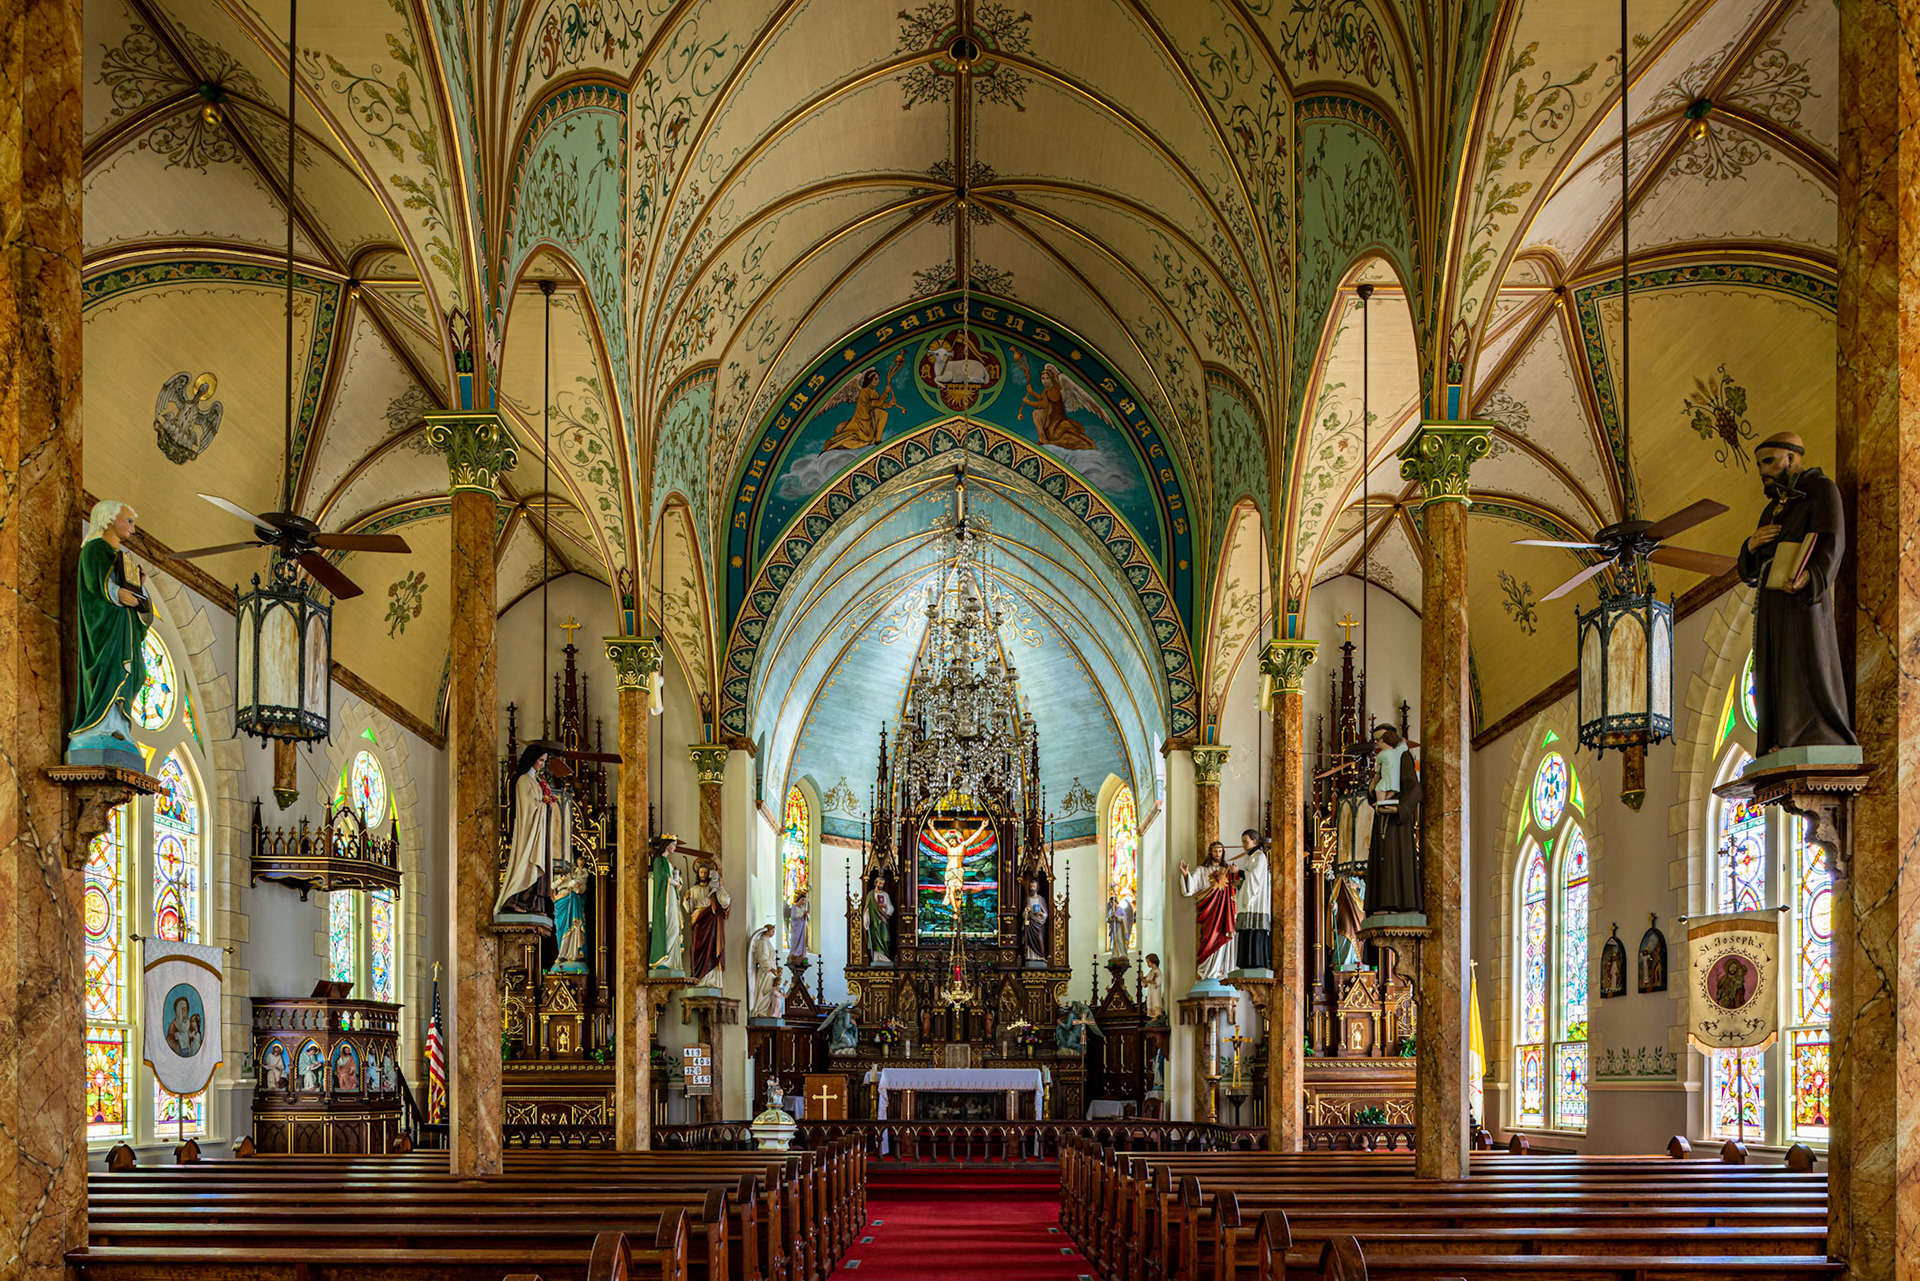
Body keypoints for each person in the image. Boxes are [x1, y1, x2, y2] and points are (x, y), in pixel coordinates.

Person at [1736, 432, 1855, 752]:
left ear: (1792, 458)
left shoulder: (1820, 491)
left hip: (1804, 599)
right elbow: (1749, 571)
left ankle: (1815, 731)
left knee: (1805, 662)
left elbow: (1832, 539)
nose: (1763, 470)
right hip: (1773, 601)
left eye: (1769, 462)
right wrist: (1752, 544)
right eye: (1760, 465)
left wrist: (1812, 576)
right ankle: (1779, 737)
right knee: (1775, 667)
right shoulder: (1771, 510)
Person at [70, 500, 153, 768]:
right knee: (107, 670)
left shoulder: (121, 558)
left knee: (133, 674)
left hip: (123, 629)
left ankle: (119, 728)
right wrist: (118, 593)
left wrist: (138, 588)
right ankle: (98, 728)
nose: (132, 527)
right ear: (108, 519)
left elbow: (132, 596)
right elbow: (94, 586)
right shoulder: (94, 550)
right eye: (128, 521)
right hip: (104, 631)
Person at [495, 743, 570, 920]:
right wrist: (544, 803)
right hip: (528, 833)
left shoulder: (534, 781)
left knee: (535, 866)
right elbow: (527, 807)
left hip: (538, 832)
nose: (543, 764)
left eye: (544, 761)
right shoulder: (523, 781)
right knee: (525, 864)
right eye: (541, 760)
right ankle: (514, 899)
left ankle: (532, 903)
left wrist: (547, 803)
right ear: (532, 760)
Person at [1366, 726, 1423, 915]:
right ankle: (1382, 904)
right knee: (1381, 855)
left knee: (1394, 857)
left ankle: (1398, 905)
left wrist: (1400, 808)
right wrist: (1371, 790)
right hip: (1382, 816)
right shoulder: (1384, 757)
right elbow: (1376, 789)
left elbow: (1415, 789)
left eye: (1379, 739)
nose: (1377, 744)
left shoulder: (1403, 757)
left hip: (1397, 821)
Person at [1180, 842, 1237, 983]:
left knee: (1222, 937)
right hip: (1209, 913)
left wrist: (1235, 874)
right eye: (1215, 851)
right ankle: (1206, 971)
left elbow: (1235, 891)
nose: (1217, 854)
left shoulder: (1227, 871)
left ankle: (1219, 972)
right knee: (1208, 939)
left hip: (1224, 913)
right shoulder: (1202, 870)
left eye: (1220, 851)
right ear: (1210, 852)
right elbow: (1190, 888)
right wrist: (1186, 874)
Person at [684, 859, 731, 987]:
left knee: (711, 948)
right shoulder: (693, 889)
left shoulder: (714, 889)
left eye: (705, 872)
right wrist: (687, 899)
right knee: (695, 949)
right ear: (698, 874)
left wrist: (719, 888)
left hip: (711, 921)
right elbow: (689, 909)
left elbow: (725, 901)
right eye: (701, 872)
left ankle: (710, 980)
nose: (703, 875)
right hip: (698, 921)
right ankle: (697, 978)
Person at [1230, 829, 1272, 970]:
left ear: (1254, 841)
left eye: (1245, 841)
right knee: (1247, 932)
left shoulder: (1259, 857)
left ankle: (1255, 962)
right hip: (1251, 901)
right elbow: (1248, 878)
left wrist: (1239, 872)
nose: (1243, 845)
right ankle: (1245, 962)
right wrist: (1240, 881)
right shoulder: (1252, 857)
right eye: (1242, 842)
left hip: (1256, 903)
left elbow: (1254, 878)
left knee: (1254, 931)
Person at [547, 858, 592, 973]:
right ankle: (562, 953)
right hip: (561, 903)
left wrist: (576, 885)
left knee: (574, 925)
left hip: (572, 900)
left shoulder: (576, 876)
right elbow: (552, 887)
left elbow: (582, 889)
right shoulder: (557, 877)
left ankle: (574, 953)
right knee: (561, 929)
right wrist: (561, 880)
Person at [649, 836, 685, 975]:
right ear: (667, 845)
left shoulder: (667, 862)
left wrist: (678, 881)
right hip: (665, 899)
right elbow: (661, 877)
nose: (675, 847)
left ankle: (670, 959)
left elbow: (670, 878)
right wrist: (675, 883)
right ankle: (662, 959)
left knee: (675, 927)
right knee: (669, 926)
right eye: (673, 844)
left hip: (671, 897)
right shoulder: (659, 861)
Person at [748, 924, 783, 1018]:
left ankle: (766, 1012)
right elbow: (762, 956)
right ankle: (761, 1011)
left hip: (770, 972)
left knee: (770, 992)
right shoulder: (763, 942)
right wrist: (770, 968)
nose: (773, 933)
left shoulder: (767, 942)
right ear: (767, 931)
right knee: (765, 991)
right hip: (766, 972)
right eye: (772, 931)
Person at [864, 872, 895, 965]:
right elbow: (867, 909)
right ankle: (877, 957)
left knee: (886, 939)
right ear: (875, 883)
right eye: (880, 883)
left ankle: (885, 956)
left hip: (883, 919)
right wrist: (866, 919)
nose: (881, 885)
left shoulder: (885, 895)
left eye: (883, 884)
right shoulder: (871, 894)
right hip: (874, 922)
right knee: (875, 939)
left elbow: (891, 908)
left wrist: (885, 906)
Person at [1022, 877, 1049, 965]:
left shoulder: (1041, 899)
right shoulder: (1028, 899)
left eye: (1034, 887)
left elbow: (1046, 914)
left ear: (1037, 888)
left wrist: (1041, 913)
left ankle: (1041, 956)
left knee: (1039, 939)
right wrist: (1026, 912)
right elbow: (1023, 913)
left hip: (1039, 924)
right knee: (1029, 940)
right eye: (1031, 887)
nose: (1032, 888)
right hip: (1030, 924)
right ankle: (1030, 957)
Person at [786, 889, 810, 964]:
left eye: (804, 900)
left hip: (802, 927)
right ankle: (793, 954)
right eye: (802, 900)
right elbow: (793, 917)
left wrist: (806, 915)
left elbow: (807, 918)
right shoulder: (794, 907)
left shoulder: (803, 908)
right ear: (799, 900)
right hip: (796, 927)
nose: (803, 902)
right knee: (795, 939)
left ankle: (801, 954)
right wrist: (802, 914)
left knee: (802, 940)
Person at [1141, 953, 1166, 1023]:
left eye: (1148, 962)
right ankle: (1153, 1016)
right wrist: (1142, 977)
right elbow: (1145, 984)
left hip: (1155, 991)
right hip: (1151, 991)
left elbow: (1158, 982)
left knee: (1156, 1001)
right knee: (1150, 1002)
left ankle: (1157, 1015)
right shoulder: (1151, 972)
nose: (1147, 964)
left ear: (1153, 961)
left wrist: (1151, 981)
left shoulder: (1157, 971)